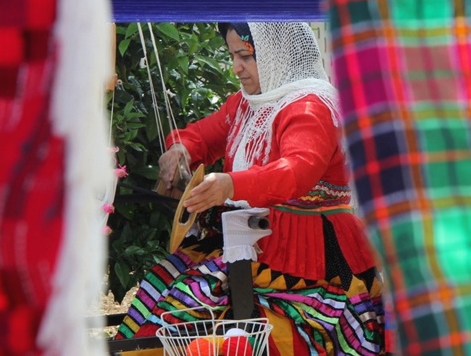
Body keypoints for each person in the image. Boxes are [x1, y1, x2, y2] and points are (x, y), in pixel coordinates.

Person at [115, 22, 386, 355]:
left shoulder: (310, 106)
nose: (236, 67)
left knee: (247, 326)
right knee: (168, 290)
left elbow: (295, 173)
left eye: (244, 55)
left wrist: (230, 184)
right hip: (253, 241)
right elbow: (202, 135)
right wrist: (181, 150)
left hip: (310, 252)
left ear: (278, 54)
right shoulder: (246, 103)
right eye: (232, 56)